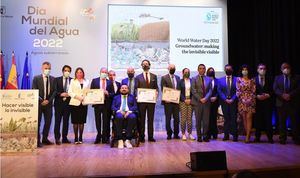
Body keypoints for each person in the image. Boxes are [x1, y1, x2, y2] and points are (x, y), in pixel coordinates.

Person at [273, 62, 300, 145]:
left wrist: (290, 95)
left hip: (292, 103)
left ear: (290, 69)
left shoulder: (297, 77)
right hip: (281, 103)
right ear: (281, 70)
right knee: (282, 122)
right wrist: (282, 95)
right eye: (284, 68)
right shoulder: (277, 78)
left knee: (294, 122)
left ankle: (296, 138)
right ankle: (282, 138)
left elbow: (298, 88)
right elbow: (275, 88)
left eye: (288, 68)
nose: (286, 69)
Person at [32, 61, 56, 147]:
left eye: (49, 68)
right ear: (42, 68)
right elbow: (34, 90)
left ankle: (45, 139)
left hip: (49, 105)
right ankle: (37, 141)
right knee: (38, 123)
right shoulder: (36, 78)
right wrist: (41, 100)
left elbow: (54, 92)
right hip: (39, 104)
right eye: (46, 68)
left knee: (48, 122)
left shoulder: (53, 79)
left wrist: (48, 101)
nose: (47, 70)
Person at [135, 59, 158, 142]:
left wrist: (157, 92)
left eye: (147, 64)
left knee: (150, 119)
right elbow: (136, 89)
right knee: (142, 119)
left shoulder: (154, 76)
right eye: (144, 64)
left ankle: (151, 136)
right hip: (142, 102)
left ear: (149, 65)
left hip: (151, 101)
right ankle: (141, 137)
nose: (145, 65)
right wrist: (137, 96)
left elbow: (156, 87)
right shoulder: (137, 77)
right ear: (141, 66)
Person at [111, 85, 138, 149]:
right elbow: (112, 107)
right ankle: (120, 139)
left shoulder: (132, 97)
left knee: (132, 117)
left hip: (129, 112)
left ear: (128, 90)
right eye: (122, 88)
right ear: (120, 89)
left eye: (125, 88)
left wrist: (129, 111)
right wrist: (119, 111)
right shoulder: (116, 97)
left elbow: (135, 107)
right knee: (119, 117)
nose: (124, 89)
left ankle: (127, 140)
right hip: (119, 112)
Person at [191, 64, 212, 142]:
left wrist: (206, 98)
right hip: (197, 103)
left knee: (206, 121)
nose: (202, 70)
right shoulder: (194, 78)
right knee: (198, 120)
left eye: (203, 68)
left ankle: (205, 136)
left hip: (206, 102)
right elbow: (193, 90)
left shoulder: (209, 79)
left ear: (205, 70)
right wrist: (200, 99)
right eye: (200, 68)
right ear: (198, 70)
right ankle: (199, 136)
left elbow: (210, 90)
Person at [68, 67, 89, 144]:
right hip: (75, 103)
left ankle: (80, 137)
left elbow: (88, 92)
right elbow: (70, 92)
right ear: (75, 73)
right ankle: (76, 137)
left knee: (82, 121)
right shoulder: (72, 81)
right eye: (78, 72)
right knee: (75, 122)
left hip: (83, 103)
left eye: (81, 72)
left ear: (83, 73)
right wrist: (78, 97)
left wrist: (85, 97)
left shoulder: (87, 81)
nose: (79, 74)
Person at [90, 67, 112, 144]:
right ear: (100, 72)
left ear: (107, 74)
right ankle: (99, 135)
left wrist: (108, 93)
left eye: (105, 72)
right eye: (103, 72)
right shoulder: (94, 80)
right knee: (98, 120)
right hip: (97, 104)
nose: (104, 73)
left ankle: (105, 137)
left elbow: (112, 93)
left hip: (106, 104)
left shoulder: (110, 82)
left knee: (106, 121)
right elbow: (91, 92)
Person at [217, 64, 238, 142]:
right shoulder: (220, 80)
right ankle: (226, 135)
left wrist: (232, 99)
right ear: (225, 70)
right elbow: (219, 90)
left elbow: (238, 90)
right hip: (224, 102)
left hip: (233, 102)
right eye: (227, 69)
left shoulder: (237, 79)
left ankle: (235, 135)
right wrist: (225, 99)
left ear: (232, 70)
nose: (228, 70)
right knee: (226, 119)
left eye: (230, 69)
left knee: (233, 119)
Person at [254, 63, 274, 143]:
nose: (263, 70)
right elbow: (251, 91)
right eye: (261, 68)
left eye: (264, 69)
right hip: (257, 103)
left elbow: (274, 90)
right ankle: (257, 137)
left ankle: (270, 138)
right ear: (257, 70)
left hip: (267, 103)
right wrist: (256, 96)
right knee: (257, 121)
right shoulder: (253, 79)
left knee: (268, 121)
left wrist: (268, 95)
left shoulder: (270, 79)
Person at [236, 64, 256, 143]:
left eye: (246, 69)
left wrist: (249, 99)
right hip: (242, 101)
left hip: (250, 101)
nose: (245, 71)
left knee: (249, 117)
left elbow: (253, 91)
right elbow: (238, 91)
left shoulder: (252, 80)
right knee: (244, 118)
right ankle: (247, 133)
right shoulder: (238, 79)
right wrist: (243, 99)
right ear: (241, 71)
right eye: (243, 69)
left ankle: (247, 136)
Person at [161, 64, 180, 140]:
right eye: (171, 67)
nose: (172, 68)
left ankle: (176, 134)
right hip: (168, 102)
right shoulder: (164, 77)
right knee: (168, 118)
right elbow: (163, 89)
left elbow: (179, 89)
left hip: (176, 102)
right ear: (168, 68)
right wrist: (167, 98)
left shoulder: (178, 78)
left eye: (173, 68)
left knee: (177, 119)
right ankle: (169, 134)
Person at [54, 65, 72, 145]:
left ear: (70, 72)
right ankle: (57, 138)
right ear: (62, 71)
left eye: (68, 71)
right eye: (65, 70)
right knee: (57, 121)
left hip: (68, 104)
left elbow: (75, 91)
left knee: (66, 122)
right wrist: (61, 94)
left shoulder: (72, 80)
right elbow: (54, 91)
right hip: (58, 104)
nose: (67, 72)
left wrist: (70, 94)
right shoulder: (57, 80)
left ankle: (64, 138)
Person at [179, 68, 195, 140]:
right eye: (185, 72)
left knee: (189, 118)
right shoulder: (180, 81)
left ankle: (190, 133)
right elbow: (179, 92)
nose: (187, 73)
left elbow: (194, 91)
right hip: (183, 101)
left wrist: (191, 99)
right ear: (183, 73)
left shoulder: (192, 81)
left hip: (191, 101)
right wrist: (184, 99)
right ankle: (183, 134)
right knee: (183, 118)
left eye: (188, 72)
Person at [207, 67, 219, 139]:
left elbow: (219, 90)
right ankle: (208, 133)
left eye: (212, 71)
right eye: (210, 71)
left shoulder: (217, 81)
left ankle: (214, 133)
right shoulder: (205, 80)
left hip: (215, 101)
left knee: (214, 117)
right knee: (207, 118)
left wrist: (216, 97)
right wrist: (208, 98)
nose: (211, 72)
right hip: (207, 101)